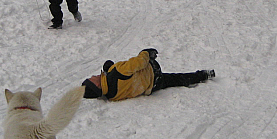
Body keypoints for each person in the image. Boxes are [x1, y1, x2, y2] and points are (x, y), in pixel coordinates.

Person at [82, 48, 215, 101]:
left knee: (175, 80)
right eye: (91, 79)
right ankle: (202, 75)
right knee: (176, 77)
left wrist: (108, 69)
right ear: (97, 84)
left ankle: (203, 75)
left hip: (151, 87)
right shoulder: (117, 72)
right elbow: (139, 62)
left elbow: (116, 81)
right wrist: (146, 52)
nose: (92, 76)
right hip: (152, 70)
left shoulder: (111, 96)